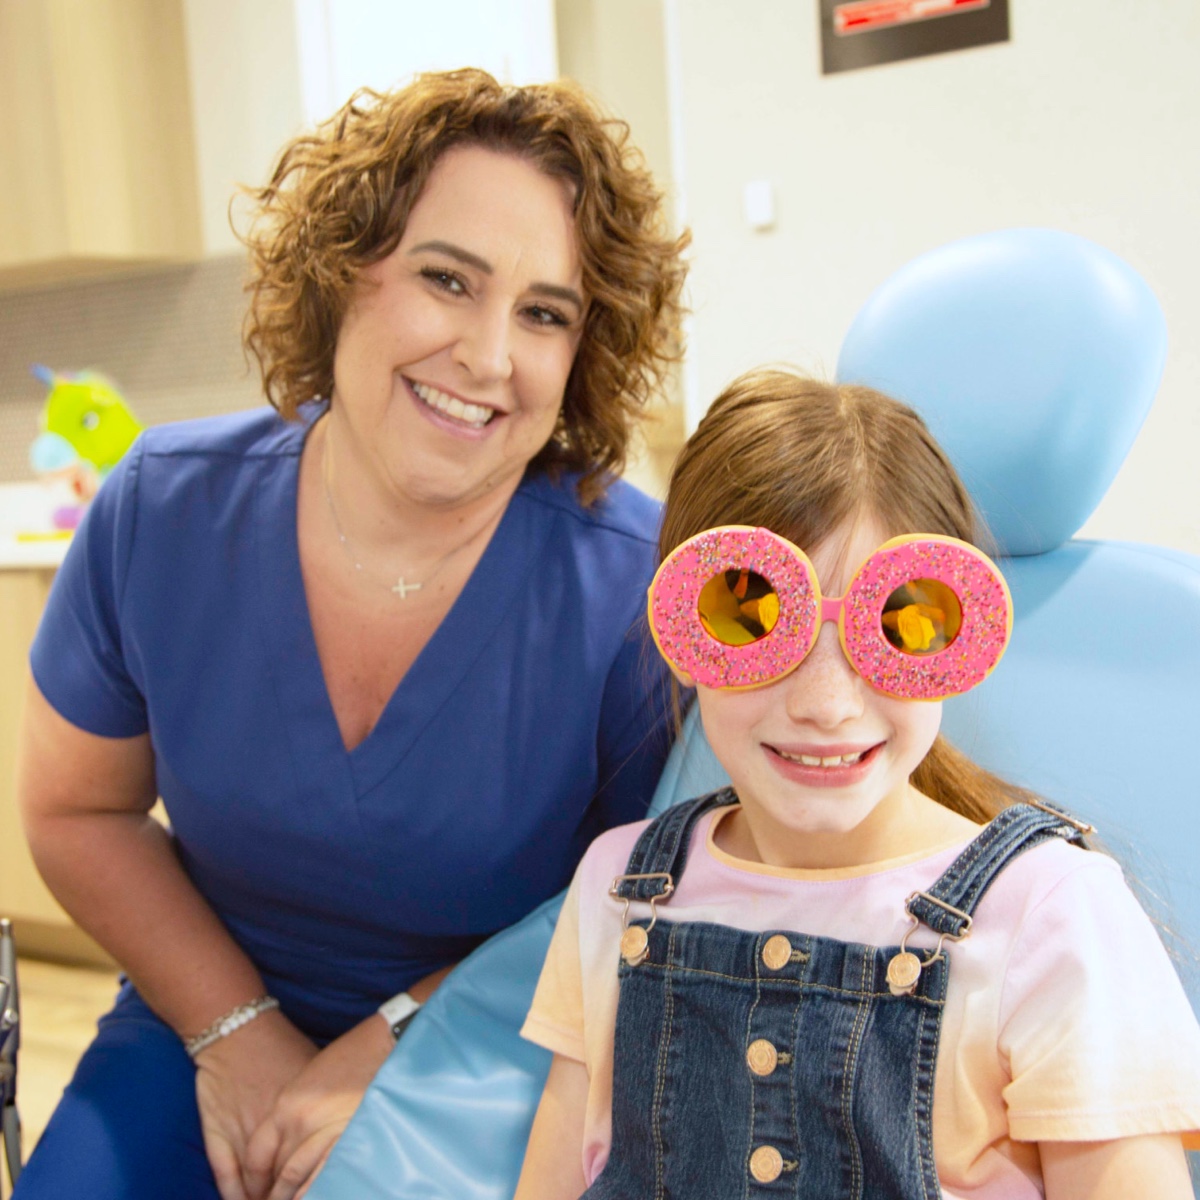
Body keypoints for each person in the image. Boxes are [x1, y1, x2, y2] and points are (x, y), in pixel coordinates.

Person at [15, 68, 688, 1200]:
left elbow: (642, 902)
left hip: (499, 1035)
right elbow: (77, 808)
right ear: (343, 277)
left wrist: (393, 1040)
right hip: (200, 1007)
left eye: (544, 313)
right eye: (445, 279)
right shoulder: (162, 510)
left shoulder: (634, 585)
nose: (485, 354)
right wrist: (235, 1032)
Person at [515, 370, 1200, 1199]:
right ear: (682, 627)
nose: (827, 706)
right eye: (752, 615)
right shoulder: (619, 889)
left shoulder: (1055, 916)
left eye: (902, 622)